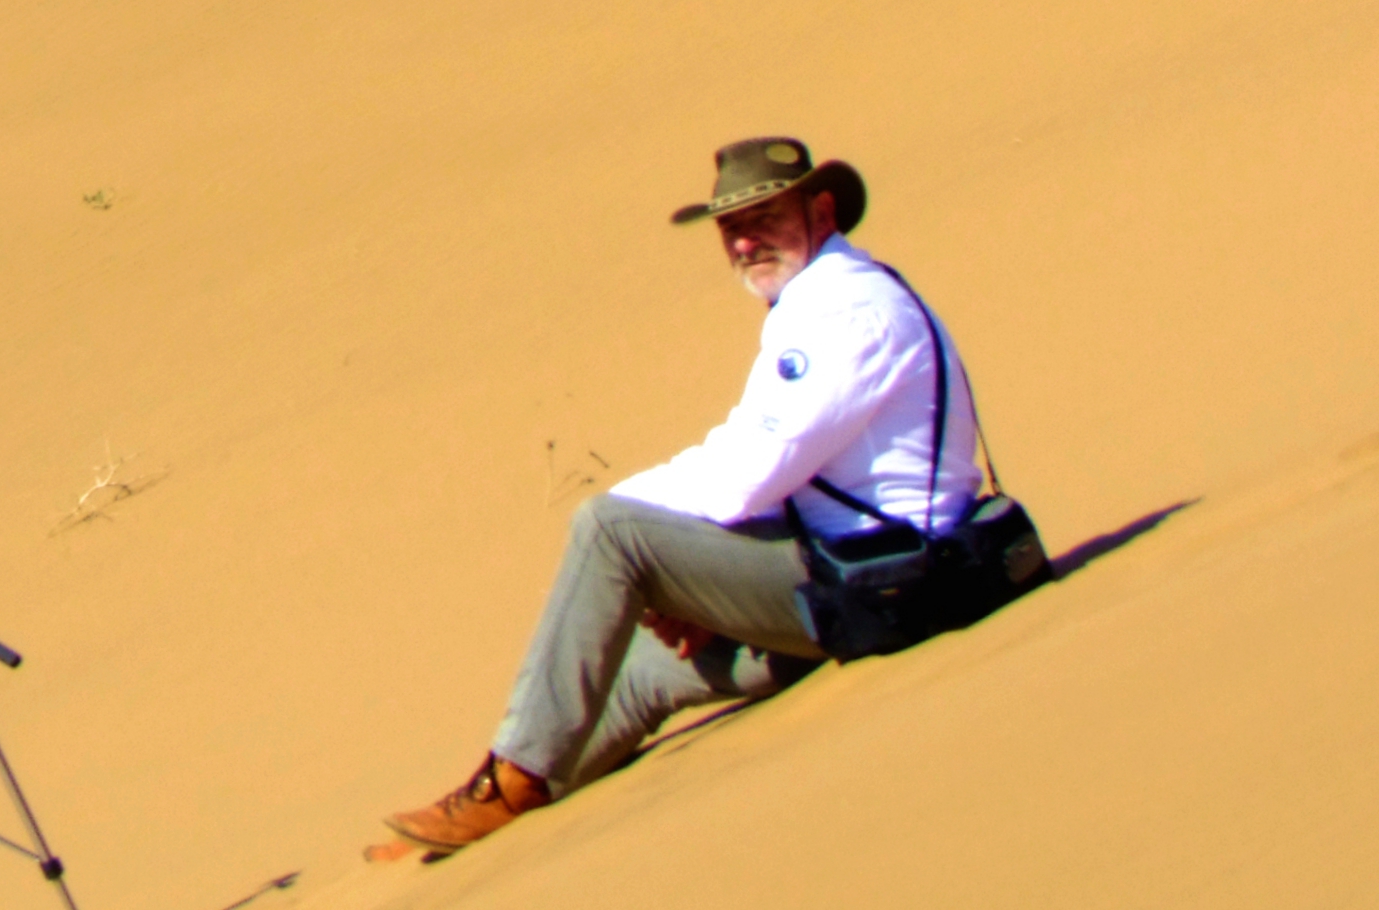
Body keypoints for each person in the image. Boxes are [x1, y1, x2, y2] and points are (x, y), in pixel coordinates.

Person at [381, 136, 986, 858]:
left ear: (821, 211)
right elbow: (782, 473)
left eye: (763, 215)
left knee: (606, 531)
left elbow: (747, 474)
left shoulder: (842, 315)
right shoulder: (823, 300)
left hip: (887, 586)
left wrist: (647, 529)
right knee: (640, 669)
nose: (743, 240)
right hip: (863, 582)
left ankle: (508, 781)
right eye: (730, 226)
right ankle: (516, 803)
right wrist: (697, 588)